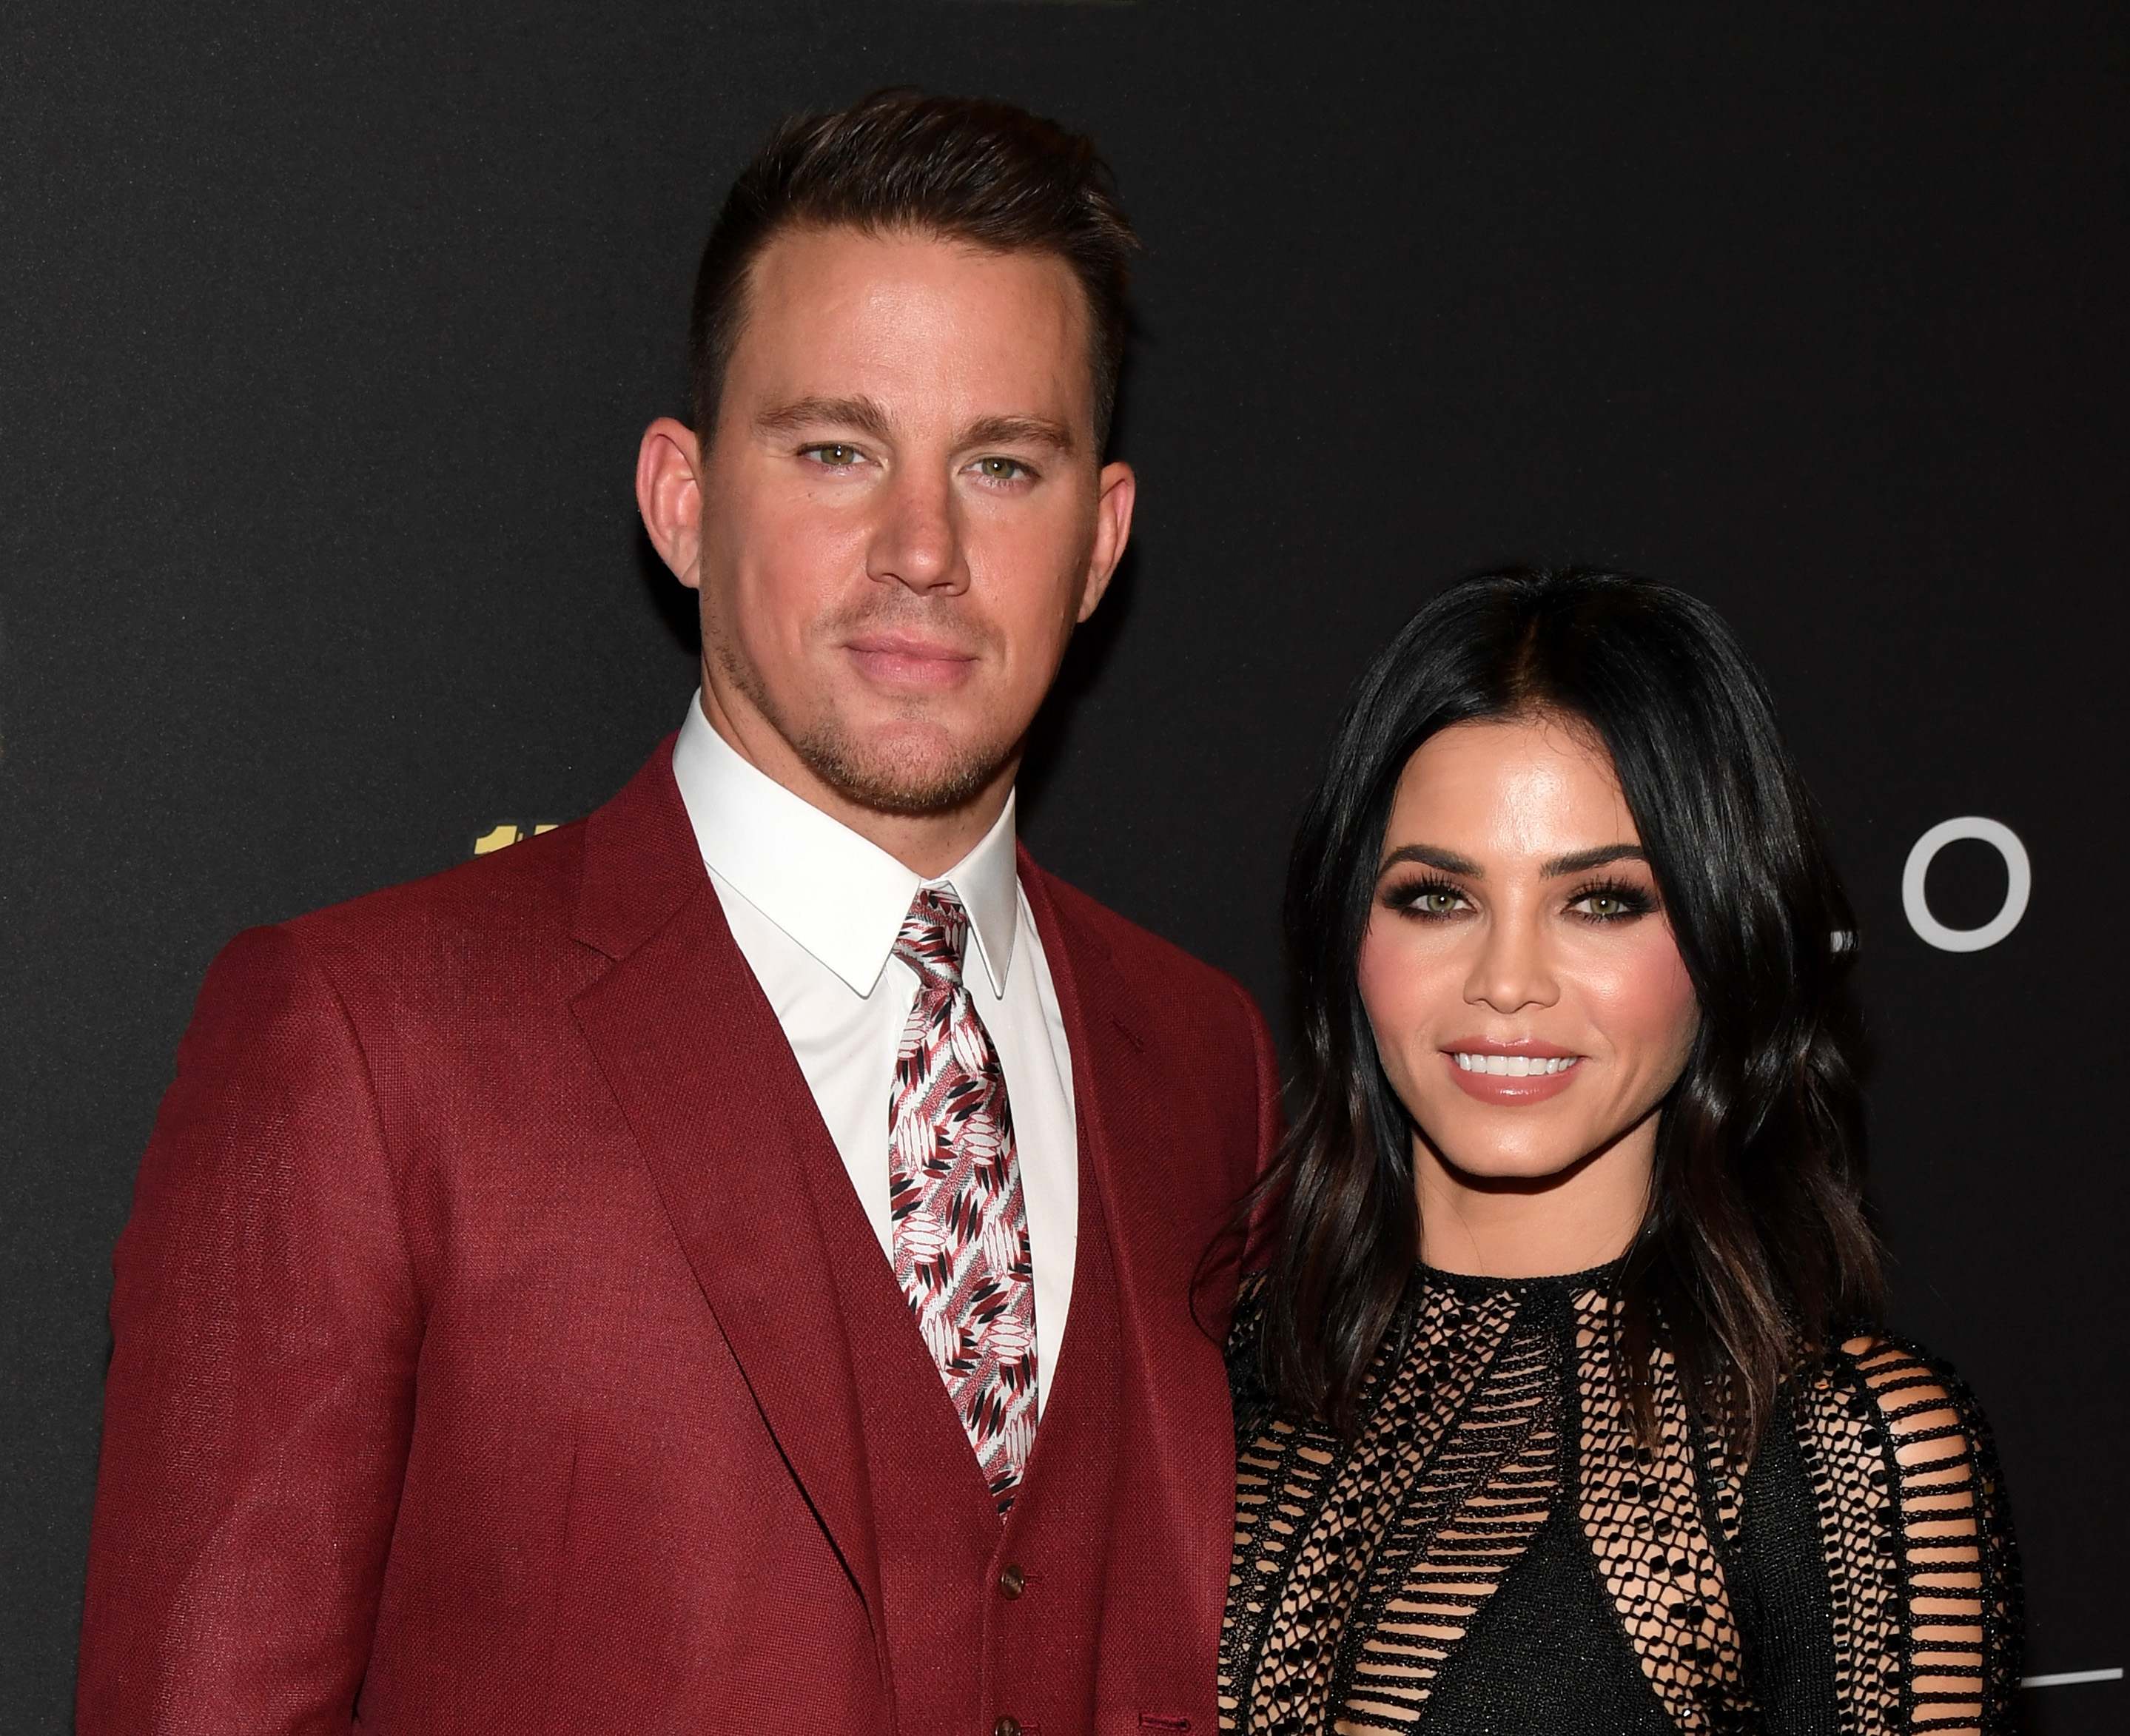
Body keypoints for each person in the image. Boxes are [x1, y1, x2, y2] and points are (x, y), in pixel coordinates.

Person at [78, 91, 1278, 1736]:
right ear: (682, 500)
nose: (922, 548)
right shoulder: (365, 1040)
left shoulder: (1208, 1061)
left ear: (1101, 542)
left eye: (1003, 464)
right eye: (838, 449)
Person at [1219, 571, 2021, 1735]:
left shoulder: (1838, 1453)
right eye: (1437, 896)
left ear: (1723, 939)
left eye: (1601, 902)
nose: (1506, 981)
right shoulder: (1221, 1380)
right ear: (1350, 935)